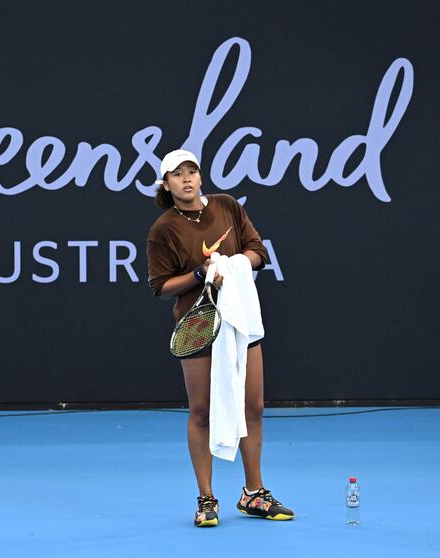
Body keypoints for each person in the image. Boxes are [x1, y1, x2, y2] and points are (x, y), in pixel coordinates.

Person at [146, 149, 295, 527]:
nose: (186, 179)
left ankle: (254, 494)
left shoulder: (228, 206)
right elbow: (161, 287)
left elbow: (257, 251)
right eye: (177, 175)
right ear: (166, 185)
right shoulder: (163, 229)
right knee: (201, 412)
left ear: (200, 176)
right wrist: (201, 274)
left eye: (191, 171)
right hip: (198, 326)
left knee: (253, 407)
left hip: (238, 320)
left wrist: (234, 264)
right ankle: (207, 498)